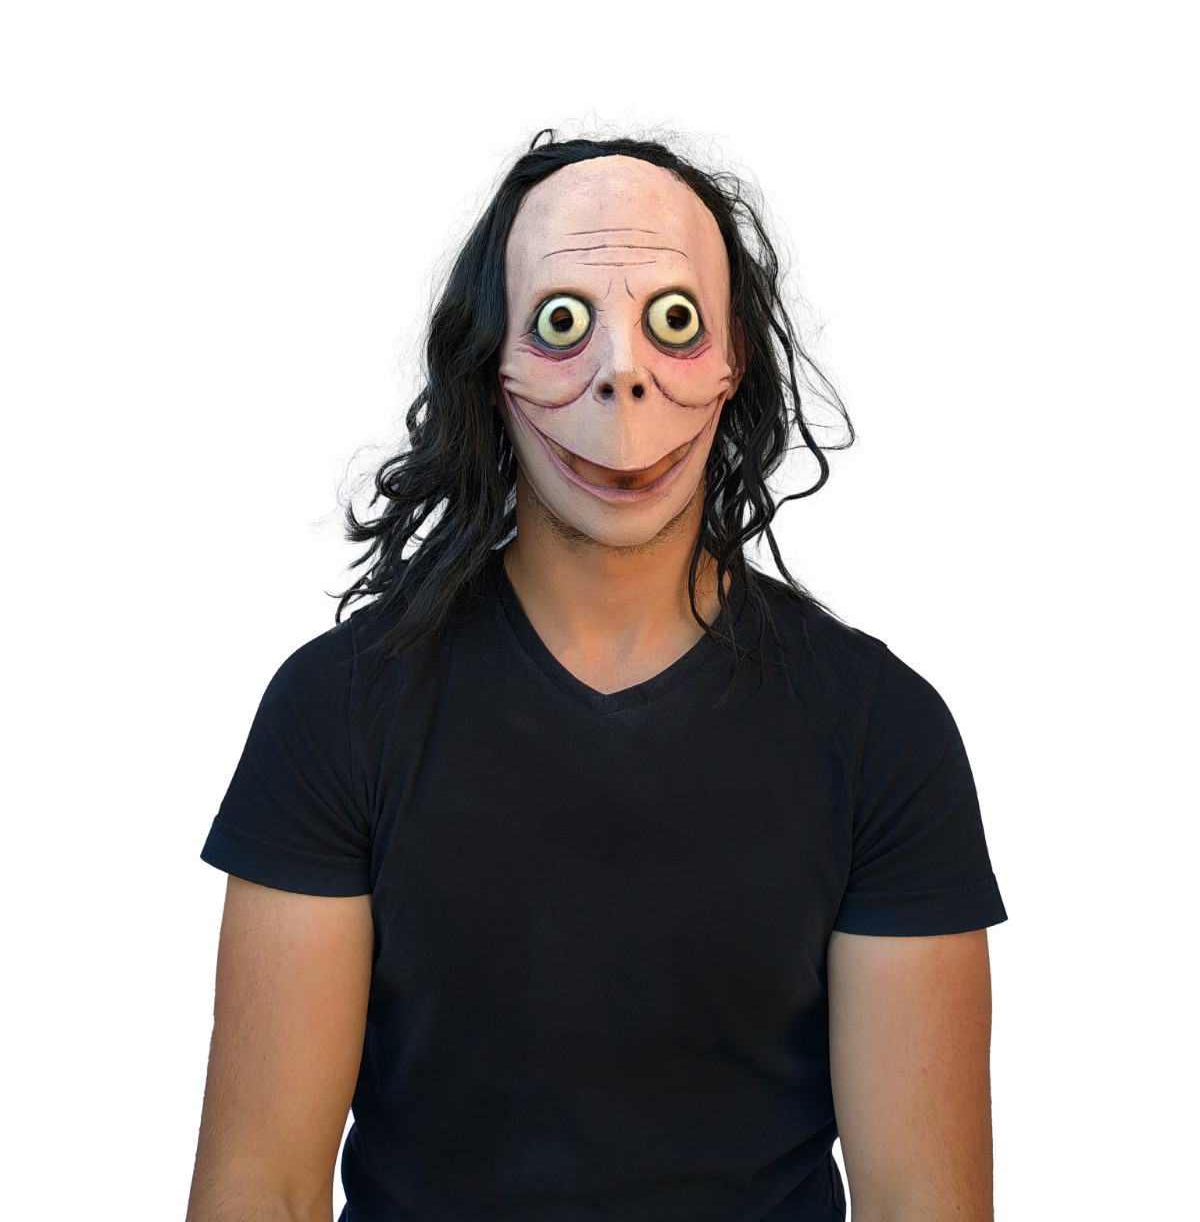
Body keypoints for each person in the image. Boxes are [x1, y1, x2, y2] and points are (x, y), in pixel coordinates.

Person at [186, 133, 1006, 1222]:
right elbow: (263, 1190)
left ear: (733, 363)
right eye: (564, 323)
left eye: (675, 320)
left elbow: (922, 1203)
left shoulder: (882, 733)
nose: (623, 375)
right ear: (492, 366)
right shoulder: (335, 711)